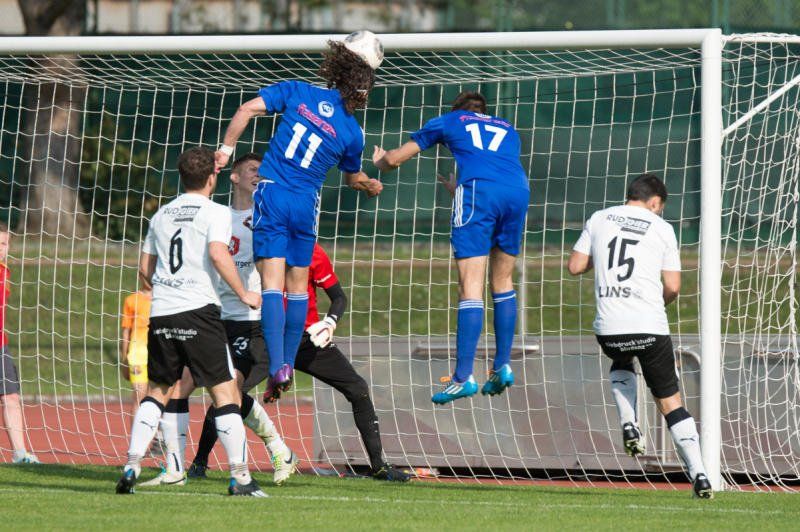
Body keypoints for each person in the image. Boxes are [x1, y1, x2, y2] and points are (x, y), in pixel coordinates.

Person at [214, 36, 383, 402]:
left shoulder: (298, 91)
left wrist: (226, 150)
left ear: (336, 67)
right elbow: (353, 178)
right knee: (297, 290)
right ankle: (288, 363)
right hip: (306, 204)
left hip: (273, 194)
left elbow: (245, 109)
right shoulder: (353, 133)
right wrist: (370, 185)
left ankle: (278, 364)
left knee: (271, 285)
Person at [189, 240, 410, 482]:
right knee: (229, 392)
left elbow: (339, 298)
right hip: (267, 337)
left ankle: (378, 466)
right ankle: (199, 463)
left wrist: (330, 322)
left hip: (307, 340)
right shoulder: (262, 247)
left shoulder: (312, 251)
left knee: (358, 388)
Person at [115, 146, 265, 497]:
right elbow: (217, 253)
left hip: (161, 311)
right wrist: (243, 293)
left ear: (181, 177)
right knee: (225, 392)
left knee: (158, 390)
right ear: (212, 177)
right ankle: (241, 477)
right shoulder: (216, 212)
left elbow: (144, 269)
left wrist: (167, 288)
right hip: (199, 310)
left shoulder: (161, 214)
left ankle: (132, 463)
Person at [146, 153, 297, 486]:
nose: (259, 175)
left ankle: (277, 448)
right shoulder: (215, 215)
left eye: (263, 172)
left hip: (252, 321)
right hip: (215, 318)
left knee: (230, 390)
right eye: (253, 170)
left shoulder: (267, 218)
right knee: (180, 387)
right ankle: (174, 468)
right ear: (234, 177)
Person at [373, 91, 530, 404]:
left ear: (457, 109)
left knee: (470, 285)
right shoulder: (508, 128)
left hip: (478, 192)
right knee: (502, 281)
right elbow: (493, 167)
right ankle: (502, 365)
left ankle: (462, 377)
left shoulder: (449, 120)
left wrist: (381, 160)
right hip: (517, 192)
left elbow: (395, 158)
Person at [566, 173, 712, 499]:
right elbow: (673, 286)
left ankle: (628, 422)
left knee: (621, 359)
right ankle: (700, 474)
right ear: (655, 202)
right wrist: (655, 302)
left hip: (610, 327)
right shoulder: (662, 228)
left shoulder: (600, 218)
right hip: (649, 326)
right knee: (670, 403)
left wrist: (600, 255)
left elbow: (574, 266)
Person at [0, 223, 38, 464]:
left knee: (11, 396)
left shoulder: (5, 272)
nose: (1, 248)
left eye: (4, 243)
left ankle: (20, 454)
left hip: (0, 344)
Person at [120, 287, 152, 413]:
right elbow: (126, 332)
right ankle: (137, 427)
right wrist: (124, 359)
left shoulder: (165, 298)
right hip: (138, 356)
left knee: (157, 399)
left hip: (161, 355)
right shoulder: (132, 300)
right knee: (140, 398)